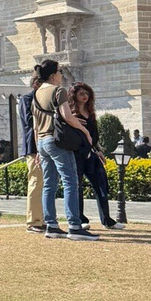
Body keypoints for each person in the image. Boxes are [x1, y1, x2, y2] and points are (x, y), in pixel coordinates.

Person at [32, 60, 98, 240]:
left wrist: (38, 150)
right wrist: (85, 131)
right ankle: (74, 226)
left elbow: (35, 125)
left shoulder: (37, 93)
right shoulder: (58, 91)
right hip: (56, 141)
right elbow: (67, 116)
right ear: (53, 75)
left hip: (42, 141)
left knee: (49, 184)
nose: (61, 74)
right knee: (70, 181)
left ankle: (51, 225)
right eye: (59, 71)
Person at [68, 82, 122, 230]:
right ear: (74, 95)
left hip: (91, 153)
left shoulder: (90, 112)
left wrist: (98, 150)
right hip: (76, 154)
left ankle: (107, 220)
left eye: (87, 93)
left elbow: (94, 135)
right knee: (77, 187)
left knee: (101, 185)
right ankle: (80, 219)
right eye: (81, 93)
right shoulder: (70, 113)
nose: (85, 96)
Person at [18, 72, 46, 234]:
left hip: (45, 146)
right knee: (36, 183)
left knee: (44, 184)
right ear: (36, 84)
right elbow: (30, 123)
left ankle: (41, 219)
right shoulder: (27, 100)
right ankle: (33, 221)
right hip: (34, 147)